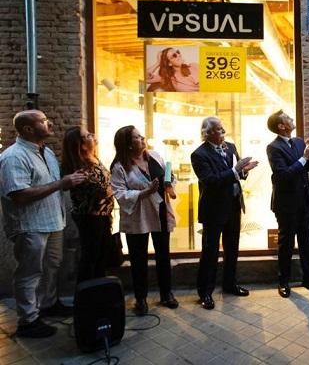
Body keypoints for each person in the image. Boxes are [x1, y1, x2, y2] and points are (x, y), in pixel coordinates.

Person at [0, 110, 85, 338]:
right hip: (30, 225)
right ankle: (28, 320)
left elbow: (52, 183)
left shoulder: (46, 152)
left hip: (53, 221)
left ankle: (48, 303)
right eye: (44, 121)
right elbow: (19, 195)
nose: (50, 124)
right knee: (29, 273)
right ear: (28, 129)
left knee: (51, 266)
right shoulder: (13, 157)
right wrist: (61, 184)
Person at [191, 117, 258, 310]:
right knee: (210, 252)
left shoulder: (230, 147)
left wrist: (244, 171)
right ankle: (205, 292)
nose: (223, 132)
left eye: (223, 128)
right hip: (213, 210)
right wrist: (236, 170)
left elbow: (237, 175)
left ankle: (230, 284)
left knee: (232, 248)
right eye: (219, 129)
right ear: (207, 133)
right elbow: (211, 181)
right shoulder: (199, 154)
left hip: (233, 206)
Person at [110, 126, 178, 316]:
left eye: (141, 135)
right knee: (138, 258)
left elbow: (170, 176)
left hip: (160, 211)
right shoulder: (119, 167)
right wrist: (145, 192)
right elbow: (119, 193)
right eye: (137, 137)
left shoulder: (154, 156)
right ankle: (141, 298)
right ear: (128, 144)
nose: (142, 138)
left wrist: (169, 181)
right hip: (137, 216)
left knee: (163, 255)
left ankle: (166, 293)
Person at [266, 110, 309, 298]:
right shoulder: (273, 148)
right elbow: (283, 175)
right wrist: (304, 157)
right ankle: (283, 281)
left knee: (306, 243)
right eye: (288, 118)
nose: (292, 119)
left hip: (304, 202)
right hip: (286, 205)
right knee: (286, 244)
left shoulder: (299, 142)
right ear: (281, 126)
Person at [62, 126, 114, 283]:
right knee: (90, 257)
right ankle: (86, 292)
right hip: (90, 217)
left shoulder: (94, 158)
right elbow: (101, 190)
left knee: (101, 256)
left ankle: (98, 289)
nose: (93, 135)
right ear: (82, 145)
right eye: (88, 135)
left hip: (103, 215)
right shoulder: (80, 167)